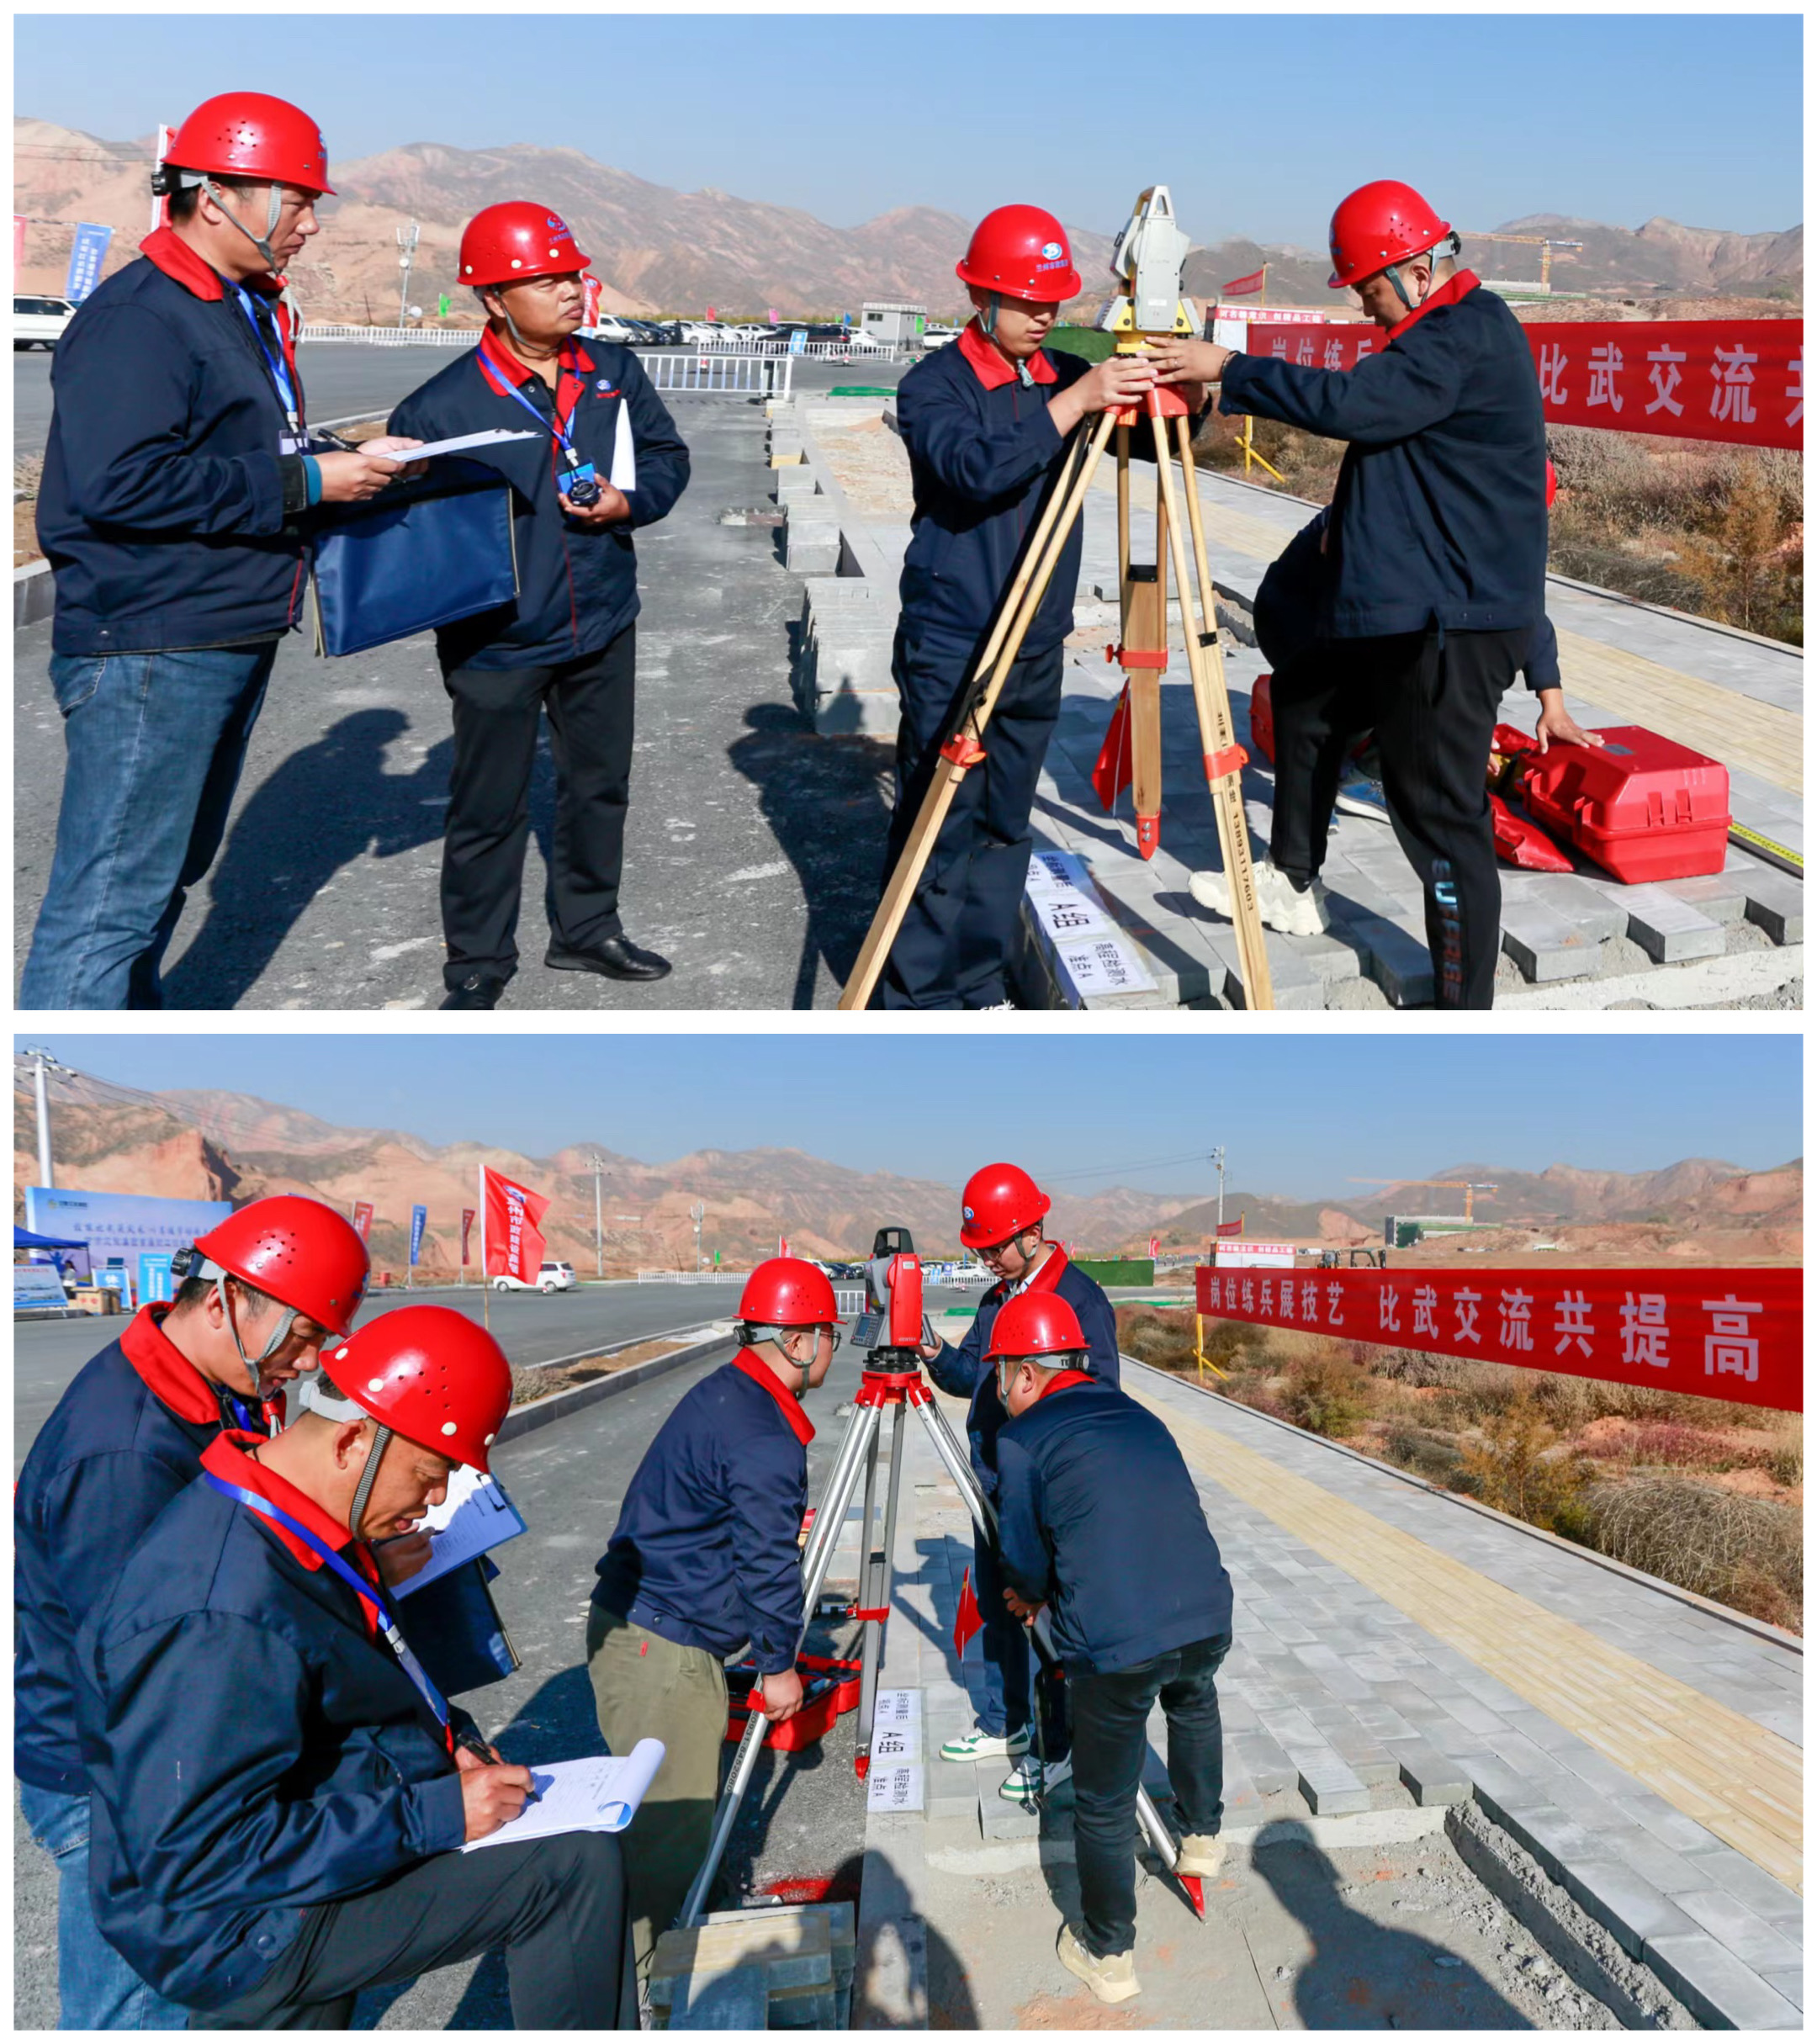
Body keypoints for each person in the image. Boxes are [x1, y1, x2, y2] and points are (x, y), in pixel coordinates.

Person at [77, 1304, 637, 2029]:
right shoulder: (220, 1612)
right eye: (429, 1474)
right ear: (351, 1441)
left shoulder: (290, 1526)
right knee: (570, 1869)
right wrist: (439, 1812)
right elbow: (199, 1856)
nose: (436, 1501)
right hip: (238, 1927)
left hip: (280, 1875)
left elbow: (345, 1694)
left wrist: (451, 1744)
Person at [22, 92, 422, 1009]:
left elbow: (233, 449)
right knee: (109, 905)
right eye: (298, 202)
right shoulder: (142, 318)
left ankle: (130, 1026)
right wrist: (310, 484)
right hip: (152, 645)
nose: (310, 226)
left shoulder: (229, 308)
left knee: (156, 885)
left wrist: (341, 460)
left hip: (215, 632)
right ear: (215, 197)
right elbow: (123, 485)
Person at [1152, 179, 1549, 1009]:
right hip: (1410, 610)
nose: (1365, 308)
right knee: (1306, 698)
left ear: (1417, 269)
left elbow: (1354, 405)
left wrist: (1231, 367)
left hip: (1450, 628)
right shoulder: (1442, 334)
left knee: (1437, 818)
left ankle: (1462, 1009)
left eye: (1370, 289)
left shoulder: (1461, 333)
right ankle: (1294, 881)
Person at [16, 1195, 370, 2028]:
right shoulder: (126, 1452)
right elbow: (145, 1661)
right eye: (302, 1336)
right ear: (225, 1301)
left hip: (153, 1758)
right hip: (116, 1779)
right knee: (138, 2014)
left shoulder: (209, 1391)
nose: (307, 1364)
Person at [388, 203, 691, 1010]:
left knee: (599, 786)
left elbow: (665, 454)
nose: (570, 290)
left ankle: (587, 930)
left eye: (572, 275)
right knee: (489, 805)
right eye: (546, 279)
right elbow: (413, 537)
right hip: (498, 640)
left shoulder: (611, 371)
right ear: (493, 297)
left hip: (602, 620)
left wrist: (630, 503)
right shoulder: (440, 408)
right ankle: (478, 961)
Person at [877, 206, 1179, 1008]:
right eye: (1026, 301)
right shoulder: (934, 386)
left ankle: (980, 980)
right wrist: (1076, 401)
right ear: (981, 295)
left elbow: (1150, 440)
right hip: (957, 638)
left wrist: (1176, 382)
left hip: (1038, 640)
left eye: (1053, 302)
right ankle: (915, 993)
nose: (1043, 317)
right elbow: (973, 471)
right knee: (941, 820)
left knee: (1005, 822)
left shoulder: (1063, 372)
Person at [587, 1258, 841, 1972]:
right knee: (665, 1836)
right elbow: (767, 1560)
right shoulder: (761, 1434)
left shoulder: (730, 1394)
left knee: (675, 1818)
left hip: (648, 1626)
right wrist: (779, 1665)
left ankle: (680, 1931)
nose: (833, 1346)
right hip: (662, 1647)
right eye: (828, 1333)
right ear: (797, 1341)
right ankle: (649, 1984)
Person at [991, 1293, 1233, 2007]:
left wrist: (1032, 1595)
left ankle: (1109, 1953)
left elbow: (1023, 1557)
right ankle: (1202, 1839)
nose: (999, 1392)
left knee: (1101, 1801)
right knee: (1193, 1701)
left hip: (1118, 1642)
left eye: (1000, 1376)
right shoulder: (1139, 1414)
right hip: (1206, 1613)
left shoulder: (1023, 1439)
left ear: (1026, 1374)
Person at [919, 1162, 1118, 1803]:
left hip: (1046, 1493)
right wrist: (932, 1351)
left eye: (993, 1248)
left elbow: (1100, 1401)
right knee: (999, 1611)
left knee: (1050, 1623)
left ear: (1032, 1231)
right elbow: (969, 1378)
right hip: (995, 1487)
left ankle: (1057, 1749)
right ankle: (1006, 1724)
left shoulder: (1080, 1302)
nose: (986, 1261)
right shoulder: (997, 1299)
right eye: (978, 1250)